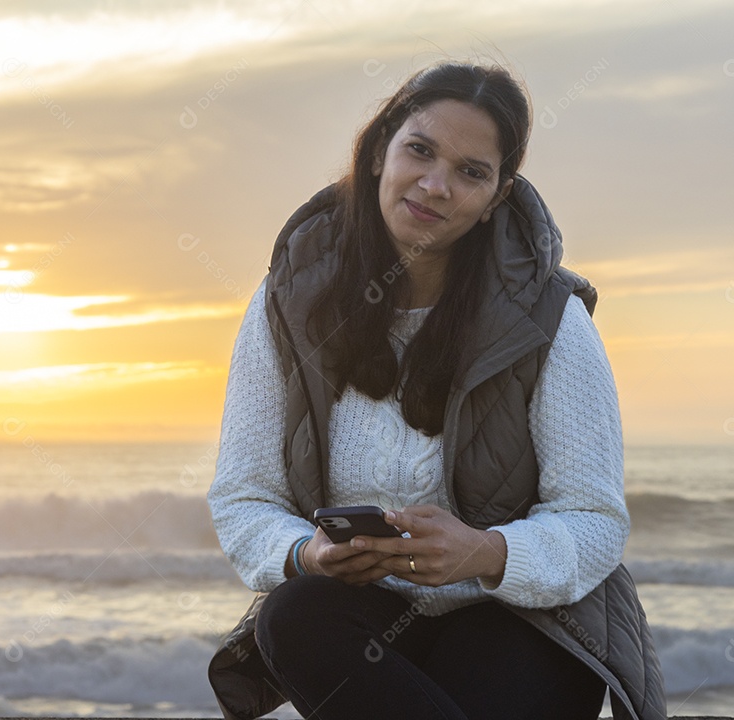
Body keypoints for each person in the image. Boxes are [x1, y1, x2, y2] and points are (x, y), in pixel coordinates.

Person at [206, 62, 665, 720]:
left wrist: (482, 551)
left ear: (496, 198)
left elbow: (594, 522)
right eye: (419, 151)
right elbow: (245, 498)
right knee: (293, 616)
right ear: (378, 152)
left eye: (470, 172)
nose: (436, 185)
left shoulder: (550, 317)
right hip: (366, 619)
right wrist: (310, 552)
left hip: (520, 617)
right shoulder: (289, 303)